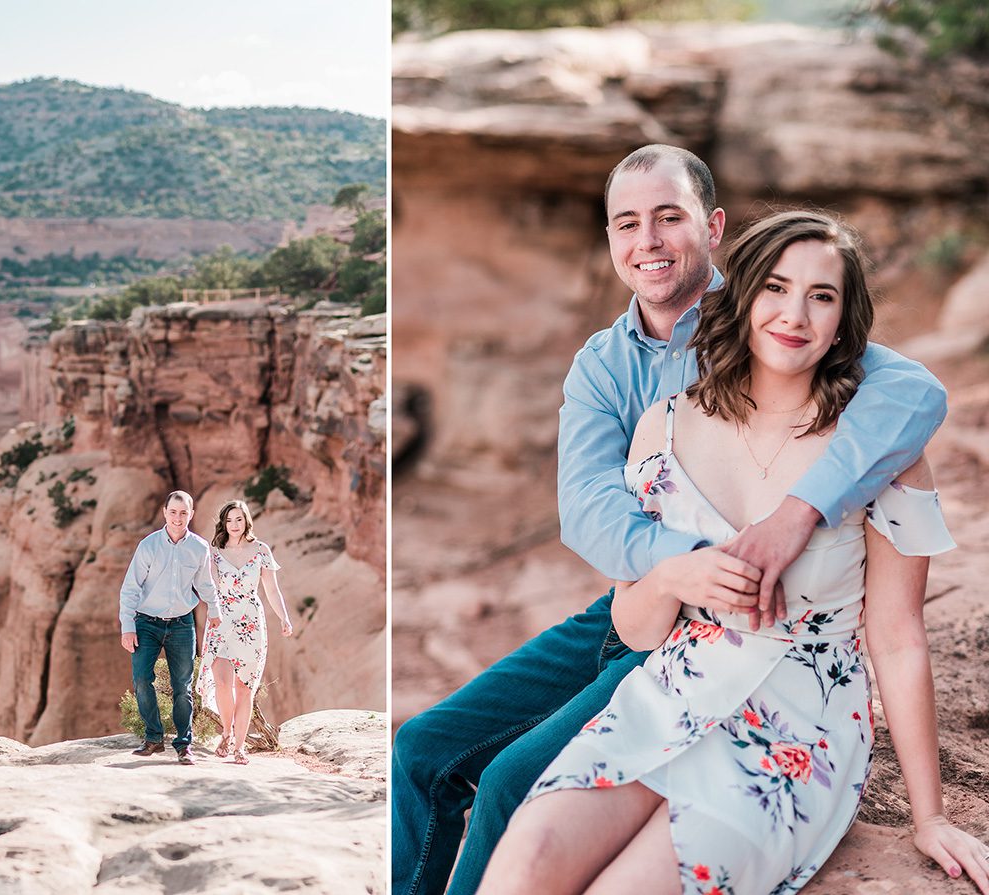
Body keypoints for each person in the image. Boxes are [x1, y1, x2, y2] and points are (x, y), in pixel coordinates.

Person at [391, 145, 948, 895]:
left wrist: (797, 513)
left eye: (668, 218)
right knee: (422, 749)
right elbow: (588, 508)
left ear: (713, 227)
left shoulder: (770, 314)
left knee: (507, 782)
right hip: (646, 601)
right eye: (628, 223)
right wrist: (690, 567)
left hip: (745, 648)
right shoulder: (604, 365)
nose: (647, 241)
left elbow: (912, 393)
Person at [119, 489, 220, 765]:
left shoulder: (199, 547)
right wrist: (127, 626)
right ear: (165, 513)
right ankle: (153, 738)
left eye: (184, 512)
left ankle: (183, 745)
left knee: (183, 688)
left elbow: (205, 584)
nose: (178, 518)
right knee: (141, 680)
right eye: (173, 512)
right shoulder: (148, 546)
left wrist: (215, 611)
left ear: (191, 515)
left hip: (181, 625)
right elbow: (130, 588)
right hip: (146, 623)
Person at [198, 499, 293, 765]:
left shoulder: (261, 550)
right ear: (223, 523)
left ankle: (240, 747)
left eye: (238, 519)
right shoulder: (214, 551)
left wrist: (284, 617)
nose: (234, 525)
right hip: (221, 620)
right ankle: (226, 732)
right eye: (229, 520)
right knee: (222, 684)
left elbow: (272, 590)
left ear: (246, 520)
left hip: (251, 621)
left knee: (244, 688)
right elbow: (210, 588)